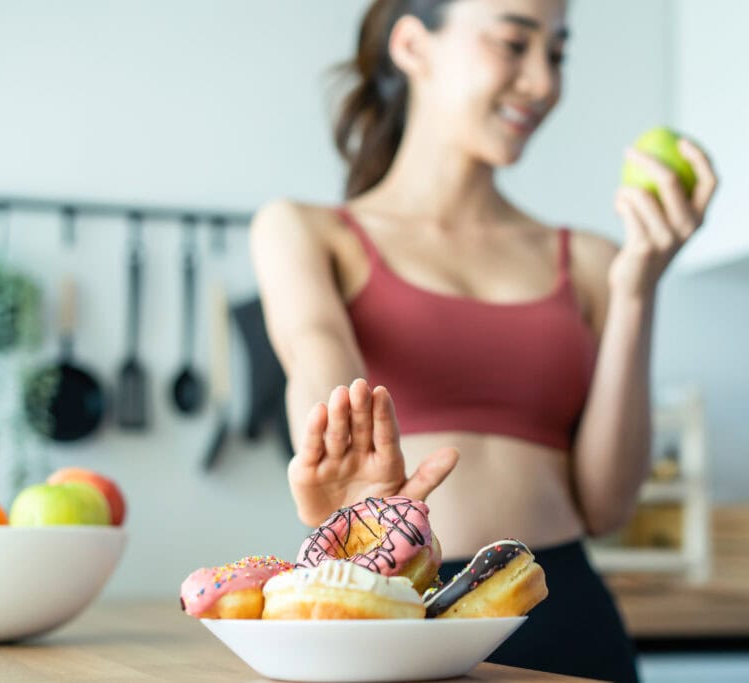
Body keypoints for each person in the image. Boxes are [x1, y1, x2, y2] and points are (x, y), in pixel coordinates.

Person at [250, 1, 717, 680]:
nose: (543, 81)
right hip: (394, 609)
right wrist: (353, 487)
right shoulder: (306, 231)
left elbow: (607, 504)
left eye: (556, 53)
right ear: (413, 45)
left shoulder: (592, 261)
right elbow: (318, 356)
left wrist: (639, 287)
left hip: (560, 610)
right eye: (514, 43)